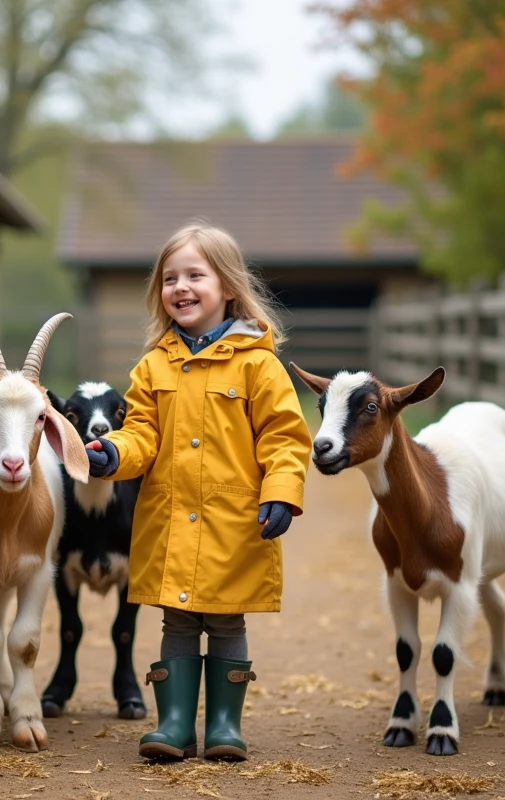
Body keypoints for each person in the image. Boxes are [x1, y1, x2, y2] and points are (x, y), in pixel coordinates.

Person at [83, 220, 311, 762]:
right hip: (170, 518)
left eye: (194, 276)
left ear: (228, 286)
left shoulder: (258, 365)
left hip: (236, 521)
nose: (180, 287)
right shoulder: (152, 367)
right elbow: (142, 432)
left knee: (227, 617)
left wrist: (282, 491)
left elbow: (284, 436)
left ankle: (225, 725)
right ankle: (176, 723)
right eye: (169, 279)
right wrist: (114, 453)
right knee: (178, 620)